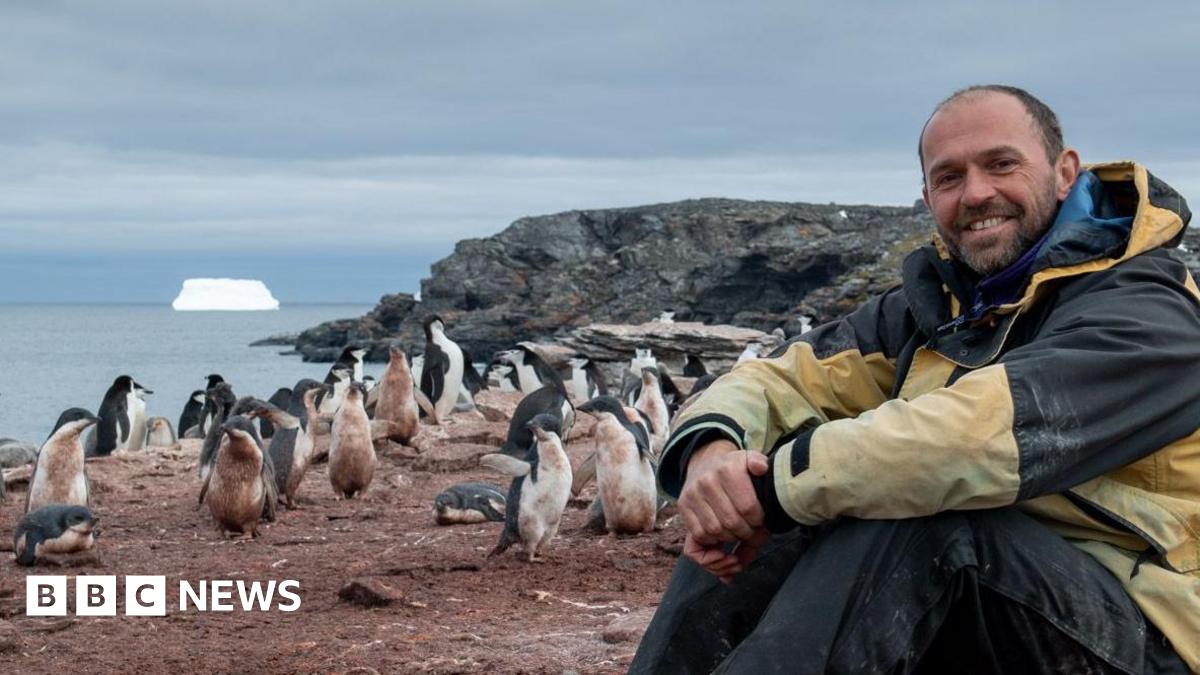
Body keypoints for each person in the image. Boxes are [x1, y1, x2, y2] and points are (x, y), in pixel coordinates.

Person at [630, 85, 1198, 673]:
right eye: (949, 178)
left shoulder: (1146, 311)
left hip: (1149, 626)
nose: (977, 193)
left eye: (1001, 164)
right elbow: (783, 376)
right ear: (927, 197)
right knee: (757, 531)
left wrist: (768, 492)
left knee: (921, 525)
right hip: (1005, 603)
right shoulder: (938, 306)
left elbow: (972, 439)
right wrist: (712, 455)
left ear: (1063, 172)